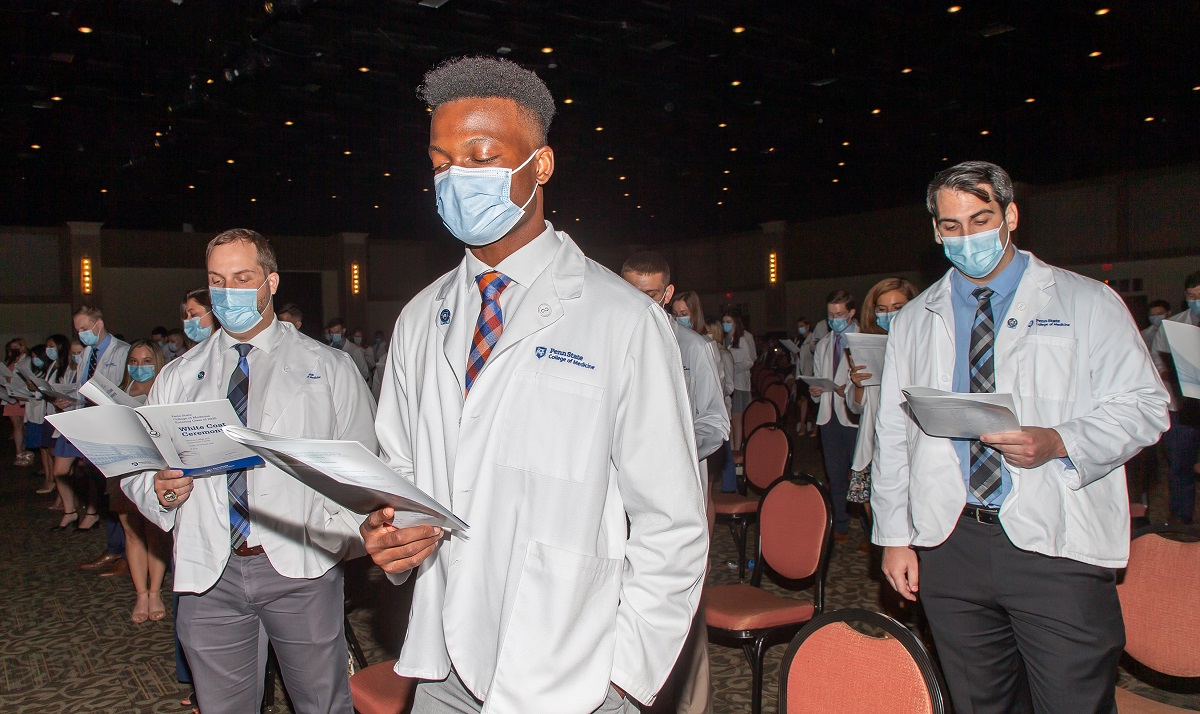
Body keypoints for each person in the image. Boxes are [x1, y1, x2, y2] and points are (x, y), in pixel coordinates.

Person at [361, 56, 708, 714]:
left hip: (573, 664)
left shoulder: (620, 318)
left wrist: (626, 680)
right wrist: (387, 533)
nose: (457, 179)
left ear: (540, 165)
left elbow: (672, 520)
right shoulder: (417, 319)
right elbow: (398, 470)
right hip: (444, 661)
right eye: (441, 163)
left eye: (481, 155)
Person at [874, 161, 1170, 713]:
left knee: (1071, 701)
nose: (967, 238)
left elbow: (1146, 407)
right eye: (951, 226)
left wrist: (1060, 441)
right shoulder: (916, 318)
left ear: (1010, 215)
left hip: (1055, 542)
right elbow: (894, 433)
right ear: (936, 230)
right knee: (979, 702)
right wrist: (895, 535)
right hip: (952, 540)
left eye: (980, 219)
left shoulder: (1086, 301)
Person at [122, 228, 377, 714]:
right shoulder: (177, 376)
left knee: (322, 703)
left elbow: (363, 470)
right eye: (217, 281)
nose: (228, 292)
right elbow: (142, 470)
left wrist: (334, 538)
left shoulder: (329, 368)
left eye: (243, 278)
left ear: (271, 281)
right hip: (209, 571)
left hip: (300, 565)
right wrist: (160, 490)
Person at [623, 253, 726, 714]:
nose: (636, 302)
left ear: (666, 294)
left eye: (648, 294)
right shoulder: (608, 339)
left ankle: (692, 703)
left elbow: (716, 423)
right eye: (628, 291)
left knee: (678, 599)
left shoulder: (694, 349)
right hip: (617, 497)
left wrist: (674, 445)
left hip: (676, 492)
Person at [844, 278, 917, 551]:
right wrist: (858, 385)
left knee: (912, 526)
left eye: (897, 306)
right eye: (882, 309)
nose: (888, 314)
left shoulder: (923, 343)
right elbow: (856, 408)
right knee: (881, 525)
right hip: (872, 444)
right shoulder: (868, 344)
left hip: (910, 446)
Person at [106, 340, 171, 622]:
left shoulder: (165, 390)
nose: (139, 367)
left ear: (157, 363)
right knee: (131, 532)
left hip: (154, 468)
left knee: (154, 531)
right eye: (134, 360)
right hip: (123, 468)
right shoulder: (120, 392)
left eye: (147, 361)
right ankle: (140, 594)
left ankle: (155, 591)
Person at [53, 307, 130, 532]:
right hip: (84, 415)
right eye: (78, 330)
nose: (81, 334)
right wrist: (70, 401)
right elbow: (81, 388)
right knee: (75, 469)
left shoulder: (121, 351)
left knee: (97, 471)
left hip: (106, 419)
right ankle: (84, 510)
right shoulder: (87, 352)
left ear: (99, 324)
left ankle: (94, 512)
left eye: (85, 328)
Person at [808, 289, 860, 543]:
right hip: (829, 417)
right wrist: (815, 391)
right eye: (830, 315)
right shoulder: (825, 343)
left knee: (860, 474)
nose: (834, 319)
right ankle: (841, 524)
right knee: (835, 473)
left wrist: (846, 389)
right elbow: (818, 379)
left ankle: (869, 530)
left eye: (839, 314)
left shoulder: (863, 339)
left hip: (854, 418)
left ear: (851, 313)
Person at [1151, 271, 1200, 524]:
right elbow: (1156, 359)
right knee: (1179, 467)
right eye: (1192, 296)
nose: (1196, 301)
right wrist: (1171, 373)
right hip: (1181, 407)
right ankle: (1182, 520)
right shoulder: (1174, 327)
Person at [705, 319, 738, 492]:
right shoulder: (705, 351)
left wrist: (715, 390)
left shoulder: (724, 355)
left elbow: (730, 385)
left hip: (721, 409)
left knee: (724, 450)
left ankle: (729, 488)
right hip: (707, 410)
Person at [721, 313, 756, 450]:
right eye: (724, 321)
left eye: (728, 321)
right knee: (731, 419)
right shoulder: (724, 340)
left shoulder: (741, 340)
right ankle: (733, 447)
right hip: (729, 383)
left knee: (737, 419)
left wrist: (733, 367)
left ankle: (737, 448)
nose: (725, 324)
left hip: (740, 383)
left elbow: (749, 361)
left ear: (735, 323)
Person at [5, 339, 31, 466]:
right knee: (17, 426)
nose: (13, 349)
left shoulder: (27, 360)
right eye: (11, 347)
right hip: (12, 397)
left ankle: (27, 451)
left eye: (16, 346)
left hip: (24, 396)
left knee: (26, 425)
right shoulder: (11, 361)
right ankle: (19, 452)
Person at [791, 318, 818, 437]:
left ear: (807, 326)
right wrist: (794, 355)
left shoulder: (813, 338)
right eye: (798, 326)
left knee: (813, 403)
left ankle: (815, 427)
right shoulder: (798, 340)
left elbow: (813, 355)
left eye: (802, 326)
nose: (799, 328)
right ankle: (802, 424)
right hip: (800, 374)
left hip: (810, 374)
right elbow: (795, 360)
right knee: (802, 400)